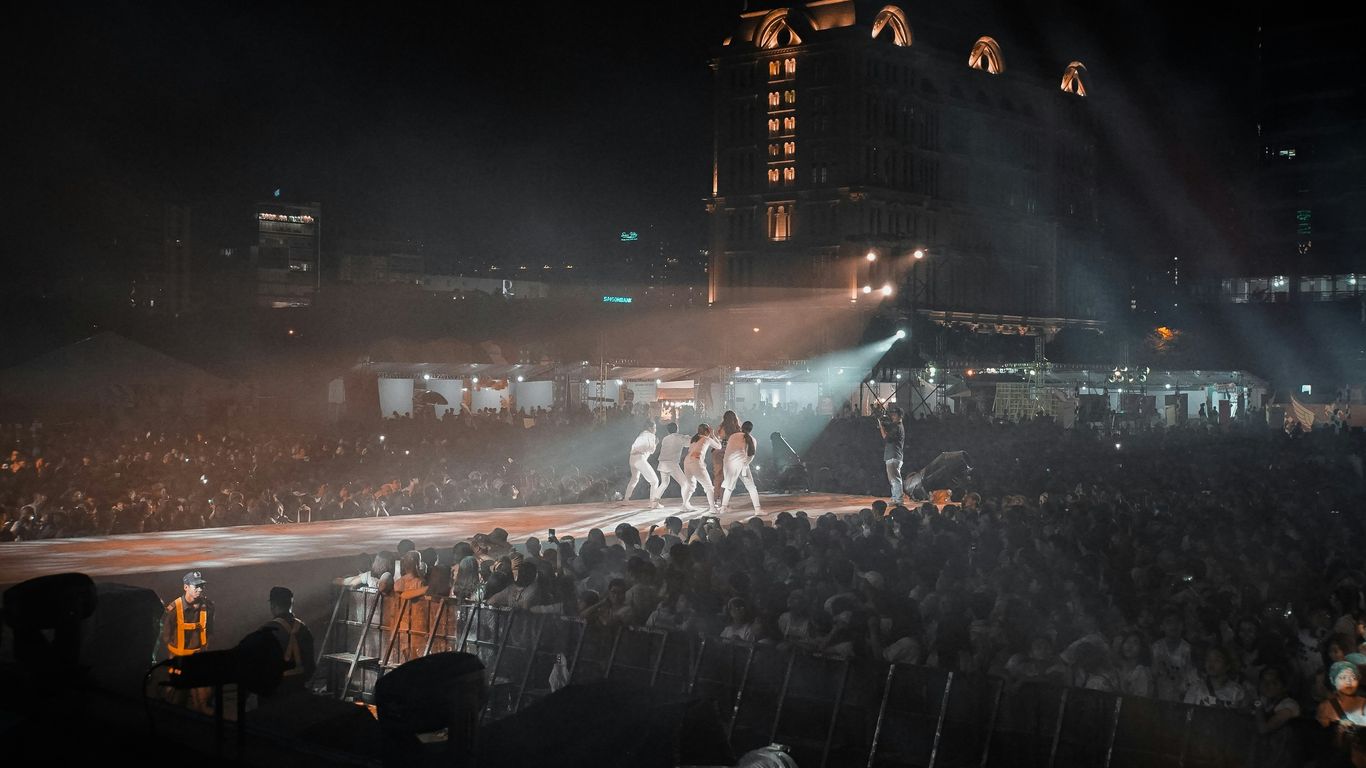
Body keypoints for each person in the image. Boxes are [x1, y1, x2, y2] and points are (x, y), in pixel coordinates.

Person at [160, 570, 215, 713]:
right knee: (175, 699)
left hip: (199, 658)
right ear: (186, 587)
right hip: (178, 660)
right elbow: (166, 634)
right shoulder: (174, 609)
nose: (199, 589)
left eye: (201, 586)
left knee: (203, 699)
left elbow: (210, 630)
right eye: (195, 586)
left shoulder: (208, 607)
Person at [262, 586, 315, 696]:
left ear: (273, 606)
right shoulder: (304, 628)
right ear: (291, 604)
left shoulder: (268, 630)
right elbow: (310, 665)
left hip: (275, 690)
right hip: (298, 686)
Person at [1317, 660, 1366, 767]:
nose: (1349, 681)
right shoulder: (1326, 706)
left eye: (1353, 677)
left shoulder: (1363, 702)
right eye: (1343, 677)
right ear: (1333, 680)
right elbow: (1323, 738)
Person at [720, 421, 761, 514]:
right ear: (751, 430)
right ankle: (758, 509)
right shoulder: (752, 439)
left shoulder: (733, 436)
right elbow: (751, 455)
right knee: (751, 487)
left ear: (742, 427)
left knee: (729, 486)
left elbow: (728, 451)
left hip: (729, 464)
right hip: (741, 464)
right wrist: (745, 464)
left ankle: (723, 508)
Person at [655, 422, 696, 511]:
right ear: (677, 429)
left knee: (664, 483)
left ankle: (654, 502)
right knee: (685, 484)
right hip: (671, 464)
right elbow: (690, 442)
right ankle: (685, 504)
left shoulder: (665, 439)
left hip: (662, 463)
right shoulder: (680, 438)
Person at [683, 424, 722, 514]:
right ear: (706, 431)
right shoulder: (706, 439)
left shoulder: (694, 439)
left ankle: (684, 505)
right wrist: (713, 435)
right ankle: (712, 508)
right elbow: (719, 446)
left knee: (691, 485)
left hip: (687, 462)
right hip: (696, 462)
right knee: (709, 487)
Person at [623, 420, 663, 508]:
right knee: (654, 481)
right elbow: (652, 450)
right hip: (639, 458)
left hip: (632, 458)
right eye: (655, 428)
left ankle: (626, 499)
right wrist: (656, 443)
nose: (655, 430)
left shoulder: (641, 434)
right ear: (650, 428)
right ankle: (653, 502)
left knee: (634, 478)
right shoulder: (651, 435)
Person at [879, 407, 905, 504]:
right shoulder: (897, 426)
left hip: (894, 456)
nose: (893, 416)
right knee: (893, 480)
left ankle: (898, 499)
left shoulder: (897, 427)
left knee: (895, 479)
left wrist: (881, 426)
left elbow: (886, 438)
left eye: (894, 414)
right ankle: (895, 498)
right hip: (893, 456)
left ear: (899, 416)